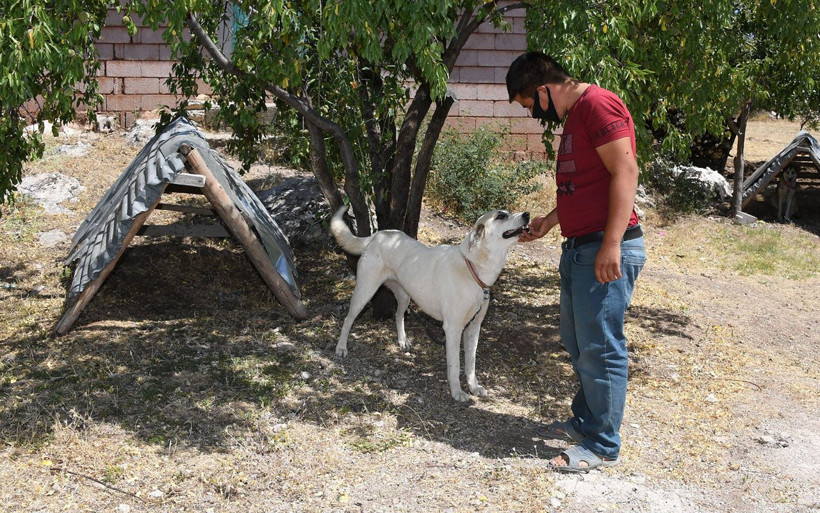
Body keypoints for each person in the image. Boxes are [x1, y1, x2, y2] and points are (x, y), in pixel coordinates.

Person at [505, 51, 646, 473]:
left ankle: (602, 445)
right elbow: (582, 188)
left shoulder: (598, 105)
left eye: (530, 105)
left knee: (601, 348)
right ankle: (586, 421)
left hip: (603, 247)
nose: (533, 115)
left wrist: (612, 243)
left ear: (544, 89)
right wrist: (549, 222)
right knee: (577, 340)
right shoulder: (575, 118)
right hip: (579, 246)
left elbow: (626, 171)